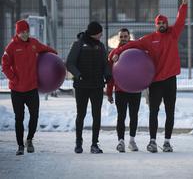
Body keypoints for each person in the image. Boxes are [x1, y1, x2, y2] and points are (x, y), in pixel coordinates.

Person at [112, 0, 188, 153]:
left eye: (164, 22)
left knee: (169, 112)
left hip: (170, 80)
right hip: (155, 82)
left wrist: (184, 4)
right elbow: (131, 44)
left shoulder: (173, 34)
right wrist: (117, 52)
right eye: (159, 23)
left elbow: (181, 20)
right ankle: (152, 141)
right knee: (154, 111)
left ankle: (167, 142)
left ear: (167, 24)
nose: (161, 25)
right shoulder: (149, 39)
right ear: (156, 25)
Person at [1, 19, 57, 155]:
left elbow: (45, 49)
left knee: (35, 116)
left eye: (27, 31)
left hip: (32, 88)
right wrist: (14, 78)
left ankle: (29, 139)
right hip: (17, 90)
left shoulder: (34, 43)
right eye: (22, 32)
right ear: (17, 33)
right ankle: (20, 145)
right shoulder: (11, 47)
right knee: (19, 118)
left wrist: (54, 54)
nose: (25, 34)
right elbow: (5, 65)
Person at [66, 21, 111, 154]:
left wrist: (107, 75)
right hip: (82, 86)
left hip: (97, 85)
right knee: (81, 114)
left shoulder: (101, 46)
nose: (101, 35)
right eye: (99, 33)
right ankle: (78, 143)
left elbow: (106, 63)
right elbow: (70, 63)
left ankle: (94, 144)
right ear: (93, 33)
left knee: (96, 115)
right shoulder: (78, 44)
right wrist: (78, 75)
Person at [106, 28, 142, 153]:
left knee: (134, 116)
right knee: (121, 116)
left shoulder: (136, 51)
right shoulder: (113, 54)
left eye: (125, 36)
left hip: (135, 90)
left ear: (129, 37)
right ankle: (120, 141)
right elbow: (110, 75)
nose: (123, 39)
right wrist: (109, 92)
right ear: (118, 38)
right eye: (121, 37)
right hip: (120, 90)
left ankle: (132, 141)